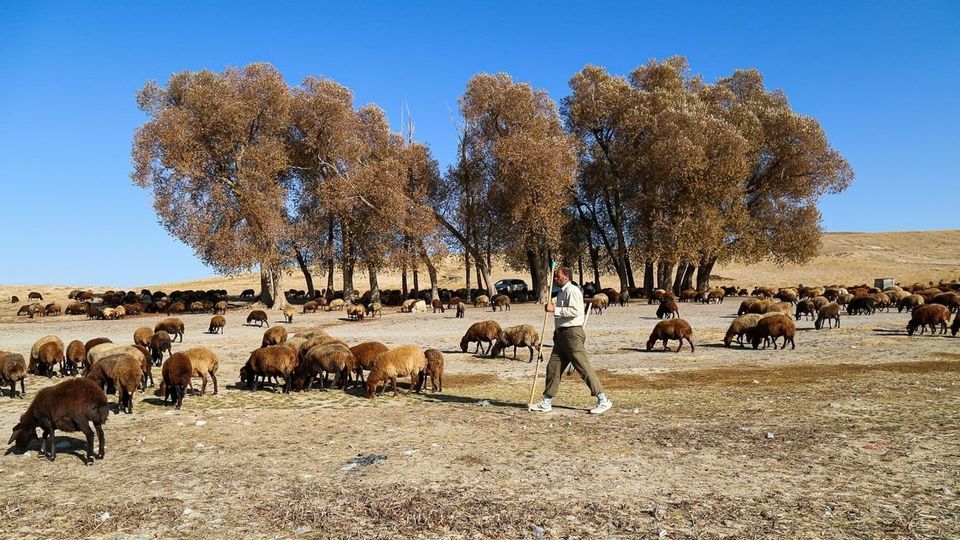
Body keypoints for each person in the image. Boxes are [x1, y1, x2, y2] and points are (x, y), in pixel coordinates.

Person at [529, 266, 612, 414]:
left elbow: (575, 311)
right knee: (553, 367)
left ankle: (603, 400)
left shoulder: (572, 290)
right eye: (555, 276)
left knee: (583, 367)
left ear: (566, 277)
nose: (555, 278)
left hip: (572, 334)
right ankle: (546, 402)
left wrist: (555, 310)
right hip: (561, 336)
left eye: (557, 276)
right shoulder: (562, 292)